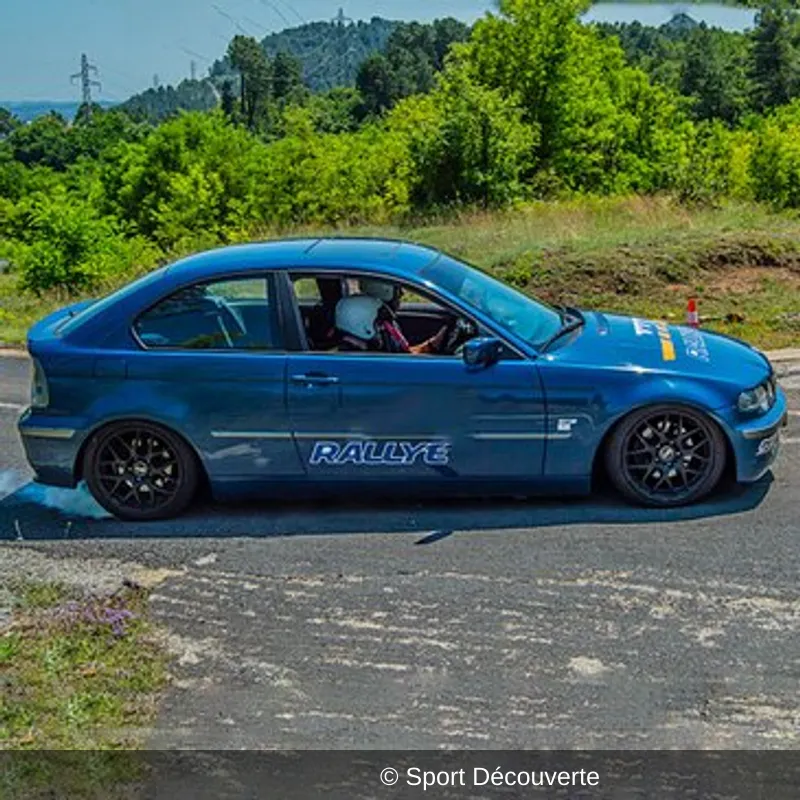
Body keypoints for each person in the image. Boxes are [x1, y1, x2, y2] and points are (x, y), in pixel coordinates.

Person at [357, 278, 447, 354]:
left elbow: (405, 354)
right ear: (385, 291)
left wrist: (432, 344)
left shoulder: (384, 321)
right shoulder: (376, 326)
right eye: (397, 289)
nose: (401, 294)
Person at [334, 294, 446, 354]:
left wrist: (432, 344)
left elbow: (405, 357)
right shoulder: (364, 363)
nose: (384, 329)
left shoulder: (366, 351)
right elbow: (403, 366)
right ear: (363, 326)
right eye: (380, 324)